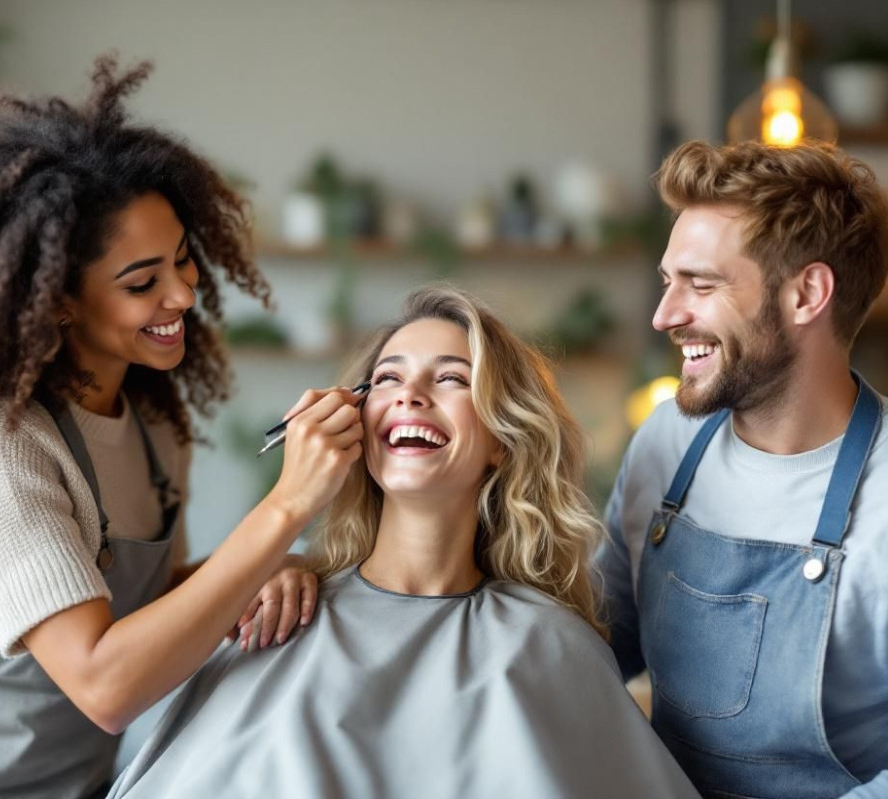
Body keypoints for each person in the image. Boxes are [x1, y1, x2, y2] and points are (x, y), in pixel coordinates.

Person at [0, 55, 363, 797]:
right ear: (58, 301)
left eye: (181, 261)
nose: (182, 293)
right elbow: (105, 685)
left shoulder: (152, 425)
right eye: (142, 282)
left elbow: (158, 590)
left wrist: (278, 563)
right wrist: (285, 507)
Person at [108, 286, 701, 798]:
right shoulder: (278, 614)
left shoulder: (549, 645)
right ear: (355, 424)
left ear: (503, 439)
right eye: (388, 377)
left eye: (451, 379)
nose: (410, 395)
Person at [598, 140, 888, 798]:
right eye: (668, 282)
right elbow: (595, 649)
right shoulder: (666, 442)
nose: (665, 316)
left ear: (807, 294)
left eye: (701, 284)